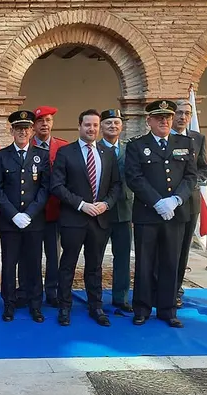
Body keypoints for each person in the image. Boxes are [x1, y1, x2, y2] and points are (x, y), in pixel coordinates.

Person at [124, 100, 196, 328]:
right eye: (159, 118)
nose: (164, 121)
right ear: (149, 121)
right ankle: (142, 308)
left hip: (176, 213)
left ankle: (167, 309)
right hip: (148, 213)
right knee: (145, 263)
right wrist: (157, 202)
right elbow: (134, 177)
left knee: (171, 262)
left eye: (168, 117)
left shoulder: (185, 143)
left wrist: (175, 200)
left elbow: (191, 176)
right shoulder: (137, 146)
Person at [51, 109, 122, 327]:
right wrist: (81, 205)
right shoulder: (66, 152)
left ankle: (96, 306)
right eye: (87, 125)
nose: (91, 129)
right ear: (79, 126)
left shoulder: (108, 153)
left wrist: (106, 203)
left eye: (95, 125)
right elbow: (57, 186)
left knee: (95, 265)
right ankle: (64, 306)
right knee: (68, 265)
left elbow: (116, 184)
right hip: (74, 219)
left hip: (99, 220)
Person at [0, 110, 50, 323]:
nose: (22, 132)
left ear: (32, 130)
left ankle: (35, 305)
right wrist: (14, 214)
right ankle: (8, 305)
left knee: (33, 264)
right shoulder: (1, 156)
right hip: (10, 222)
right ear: (11, 131)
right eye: (18, 128)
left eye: (26, 128)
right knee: (9, 265)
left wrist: (30, 213)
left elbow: (45, 188)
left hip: (34, 222)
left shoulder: (41, 155)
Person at [171, 100, 207, 307]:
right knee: (165, 247)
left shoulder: (198, 138)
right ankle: (158, 286)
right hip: (166, 202)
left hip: (189, 202)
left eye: (187, 113)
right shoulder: (163, 137)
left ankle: (176, 288)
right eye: (178, 113)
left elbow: (204, 167)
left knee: (183, 248)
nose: (183, 117)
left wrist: (190, 184)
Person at [28, 105, 68, 307]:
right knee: (30, 255)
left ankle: (52, 291)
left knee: (54, 254)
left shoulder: (63, 147)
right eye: (40, 121)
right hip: (31, 211)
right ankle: (30, 290)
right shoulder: (25, 145)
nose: (44, 124)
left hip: (54, 210)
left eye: (48, 120)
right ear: (33, 125)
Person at [99, 109, 133, 313]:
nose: (113, 126)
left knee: (123, 257)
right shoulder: (95, 148)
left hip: (124, 210)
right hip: (101, 211)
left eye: (116, 123)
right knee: (96, 257)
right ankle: (95, 297)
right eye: (109, 123)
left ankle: (120, 297)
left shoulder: (130, 149)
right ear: (102, 126)